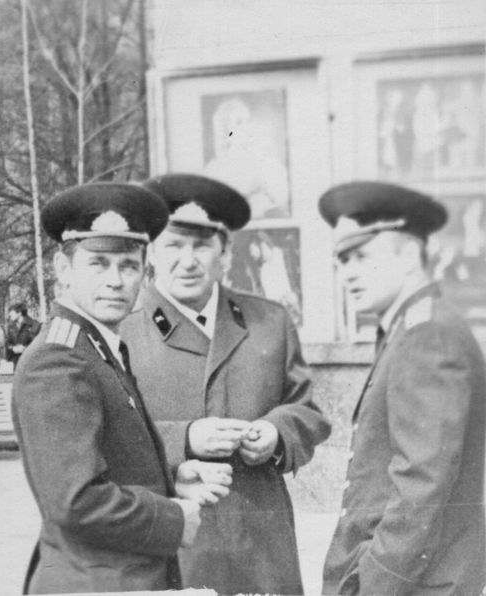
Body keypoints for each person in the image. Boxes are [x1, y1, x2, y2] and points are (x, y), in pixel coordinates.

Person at [12, 182, 234, 594]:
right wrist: (173, 518)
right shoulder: (58, 360)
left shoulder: (94, 346)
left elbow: (107, 459)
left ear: (144, 274)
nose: (115, 281)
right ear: (63, 269)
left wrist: (173, 479)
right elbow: (75, 502)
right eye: (98, 264)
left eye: (129, 266)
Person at [121, 173, 331, 595]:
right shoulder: (121, 329)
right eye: (173, 245)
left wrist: (277, 433)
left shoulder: (269, 322)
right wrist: (183, 439)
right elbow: (103, 439)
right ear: (151, 253)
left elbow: (308, 411)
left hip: (262, 550)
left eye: (201, 245)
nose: (188, 260)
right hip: (171, 550)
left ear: (226, 253)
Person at [319, 181, 486, 595]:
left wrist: (373, 582)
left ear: (409, 255)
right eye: (343, 260)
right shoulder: (407, 328)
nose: (348, 273)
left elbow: (422, 482)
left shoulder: (427, 335)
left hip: (415, 584)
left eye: (362, 257)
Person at [5, 302, 40, 366]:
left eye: (11, 312)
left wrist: (25, 348)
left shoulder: (35, 324)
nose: (9, 314)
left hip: (31, 362)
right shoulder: (10, 326)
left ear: (19, 313)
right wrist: (13, 348)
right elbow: (7, 344)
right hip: (16, 362)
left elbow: (38, 344)